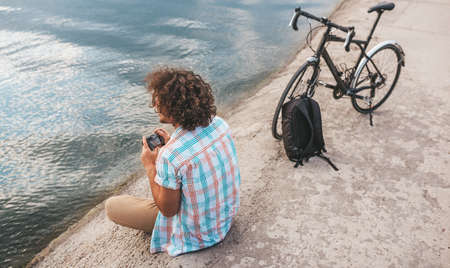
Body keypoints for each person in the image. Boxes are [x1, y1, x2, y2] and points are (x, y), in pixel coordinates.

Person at [105, 67, 241, 256]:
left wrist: (150, 166)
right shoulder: (219, 124)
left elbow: (168, 211)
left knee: (112, 206)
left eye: (158, 100)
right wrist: (171, 144)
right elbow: (195, 150)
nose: (155, 105)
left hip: (200, 234)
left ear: (172, 107)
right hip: (224, 217)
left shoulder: (171, 156)